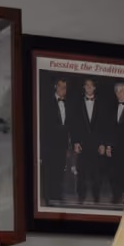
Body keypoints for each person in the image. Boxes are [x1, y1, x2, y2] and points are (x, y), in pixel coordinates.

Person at [39, 77, 74, 205]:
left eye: (64, 87)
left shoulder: (68, 103)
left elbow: (70, 125)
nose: (62, 89)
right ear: (55, 87)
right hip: (49, 142)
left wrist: (69, 143)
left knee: (60, 169)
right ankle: (48, 197)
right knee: (49, 170)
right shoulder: (47, 102)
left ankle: (57, 195)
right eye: (60, 86)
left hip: (62, 143)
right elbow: (44, 123)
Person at [78, 78, 110, 203]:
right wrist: (76, 142)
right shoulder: (78, 104)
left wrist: (103, 143)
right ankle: (81, 197)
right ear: (84, 87)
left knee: (97, 172)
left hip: (97, 144)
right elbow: (75, 124)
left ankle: (96, 197)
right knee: (81, 172)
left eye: (91, 85)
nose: (89, 87)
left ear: (94, 88)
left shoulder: (102, 104)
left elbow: (105, 126)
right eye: (87, 85)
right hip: (82, 143)